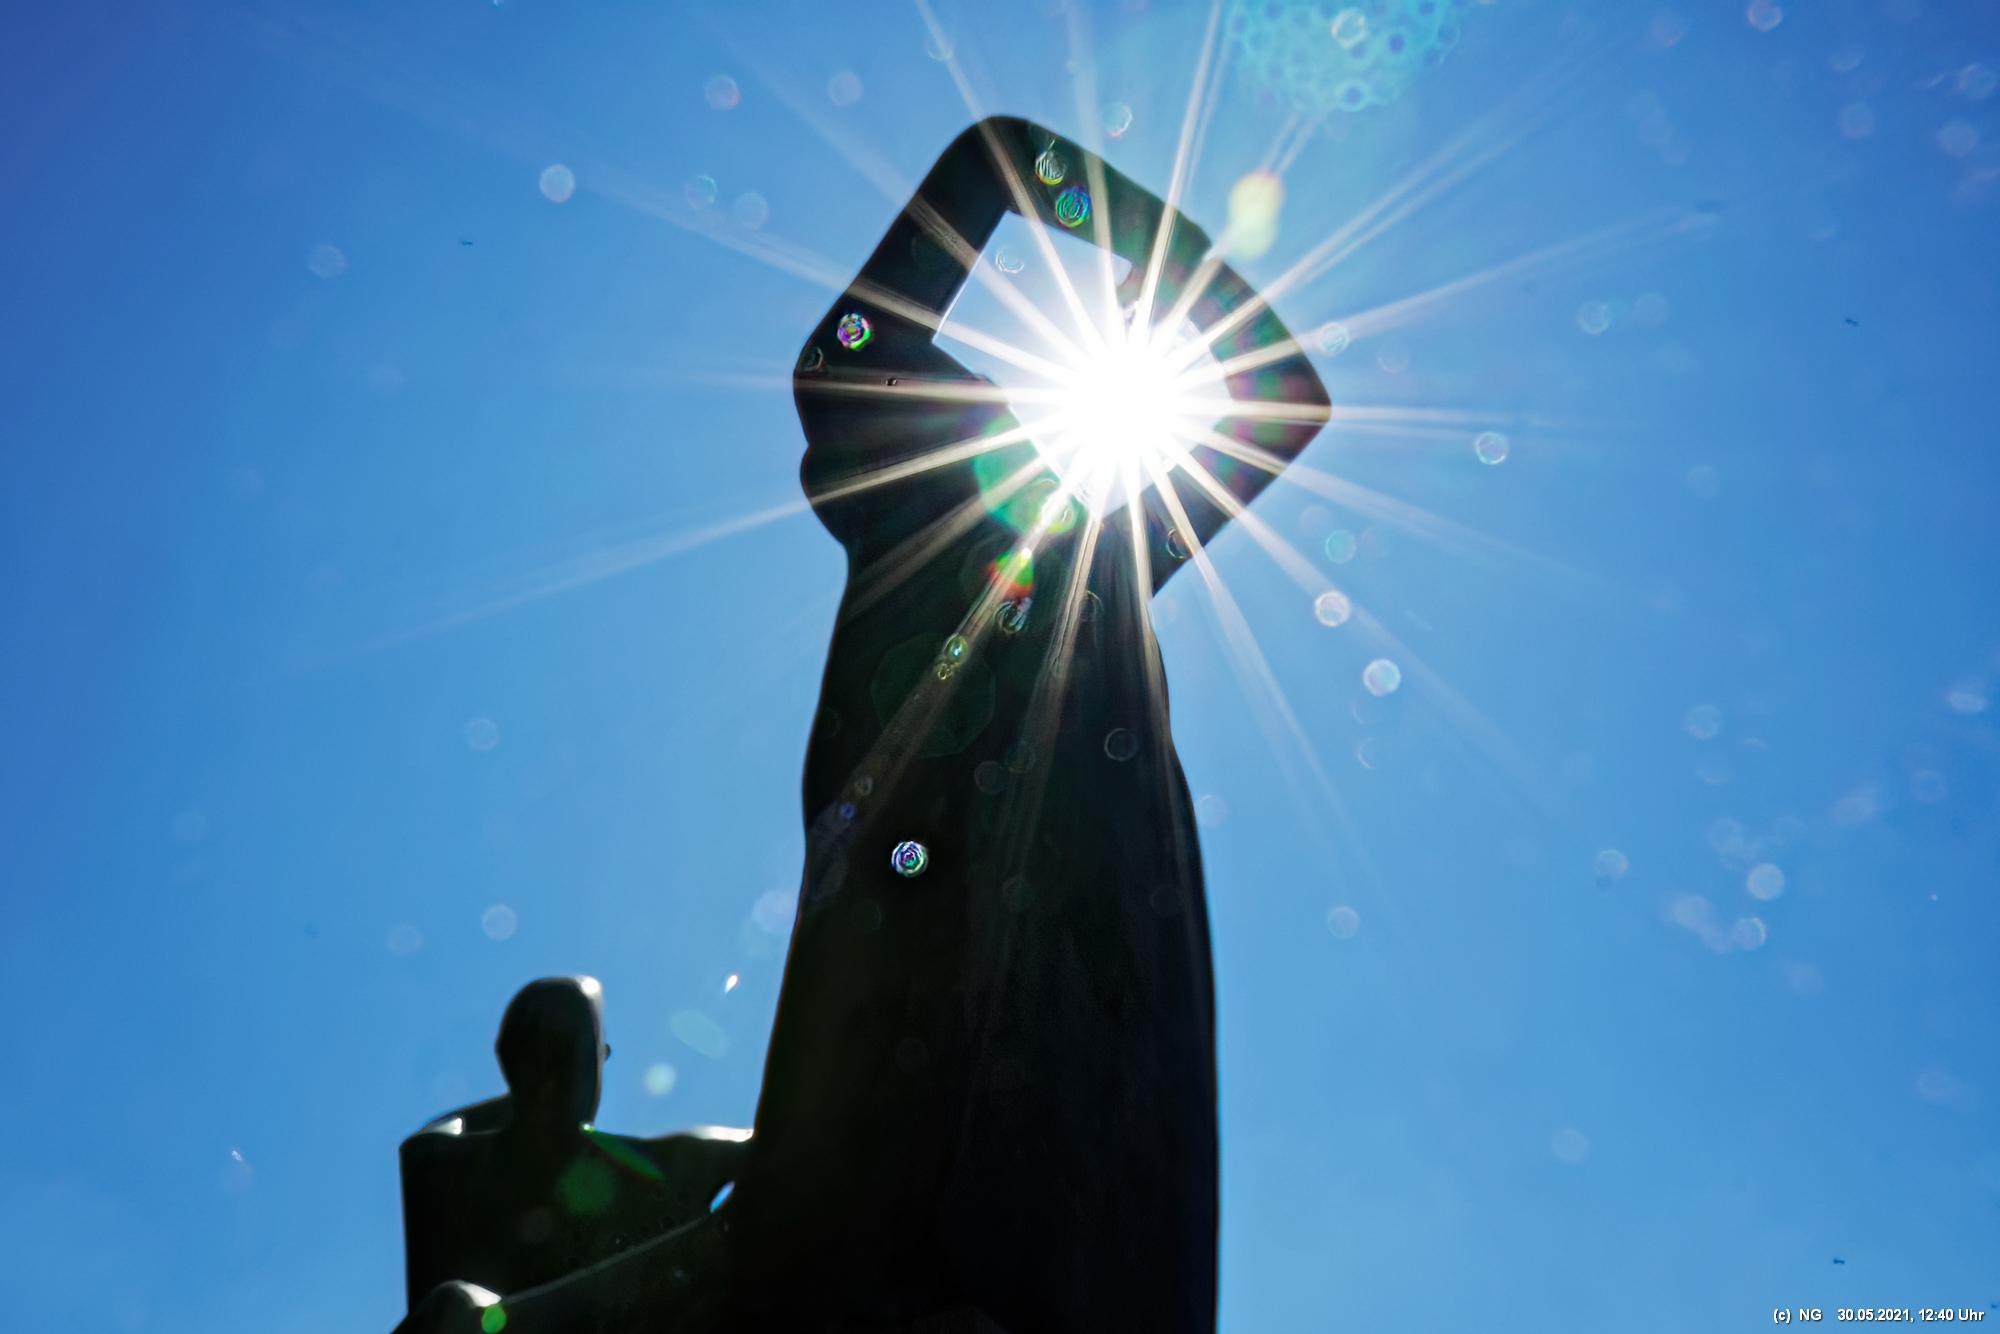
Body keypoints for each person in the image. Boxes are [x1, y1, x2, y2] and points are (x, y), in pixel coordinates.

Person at [394, 114, 1326, 1334]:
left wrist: (1161, 250)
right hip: (941, 1048)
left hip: (1026, 1071)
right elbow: (1008, 182)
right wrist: (1173, 258)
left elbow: (1272, 386)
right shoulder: (1078, 562)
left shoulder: (1095, 564)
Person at [398, 976, 749, 1313]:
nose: (555, 1075)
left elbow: (755, 1152)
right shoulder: (455, 1172)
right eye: (543, 1055)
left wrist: (522, 1096)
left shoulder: (670, 1164)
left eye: (567, 1053)